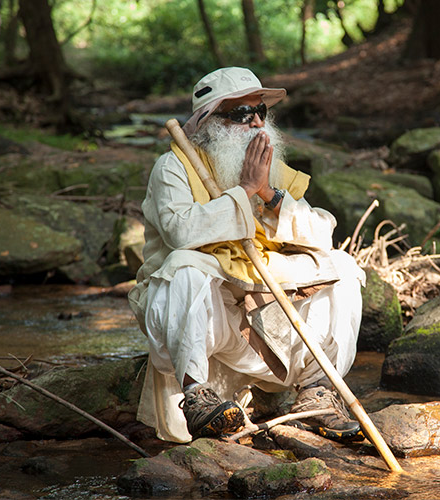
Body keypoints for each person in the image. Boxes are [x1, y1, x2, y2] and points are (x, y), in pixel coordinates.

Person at [128, 67, 366, 444]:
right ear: (210, 122)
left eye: (261, 112)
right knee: (185, 267)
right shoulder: (172, 168)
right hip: (210, 320)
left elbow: (322, 233)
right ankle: (197, 397)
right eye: (242, 114)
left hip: (268, 315)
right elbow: (181, 233)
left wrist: (268, 195)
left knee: (345, 268)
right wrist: (243, 190)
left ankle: (318, 391)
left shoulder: (273, 169)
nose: (256, 122)